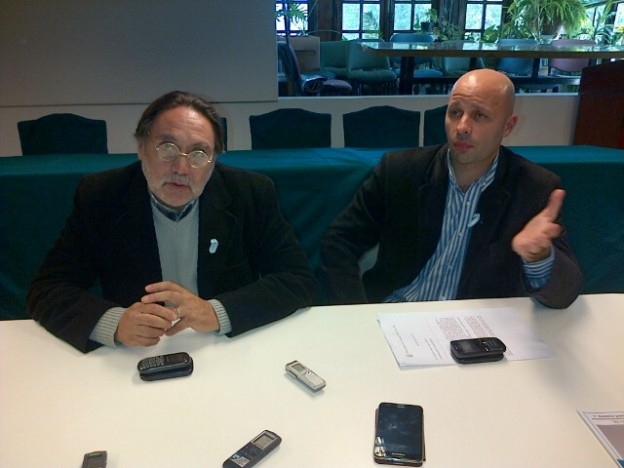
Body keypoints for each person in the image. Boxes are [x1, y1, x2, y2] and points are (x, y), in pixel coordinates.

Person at [28, 91, 317, 353]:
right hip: (136, 354)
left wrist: (217, 312)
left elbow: (298, 279)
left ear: (214, 160)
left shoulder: (249, 193)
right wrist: (114, 323)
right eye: (167, 148)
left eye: (199, 154)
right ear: (141, 147)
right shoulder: (102, 196)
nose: (181, 168)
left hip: (223, 348)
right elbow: (48, 289)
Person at [321, 69, 581, 309]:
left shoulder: (534, 188)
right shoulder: (400, 172)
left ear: (508, 126)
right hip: (396, 314)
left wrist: (540, 257)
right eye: (455, 112)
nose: (462, 127)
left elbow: (564, 294)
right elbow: (338, 242)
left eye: (479, 115)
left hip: (478, 326)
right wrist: (354, 313)